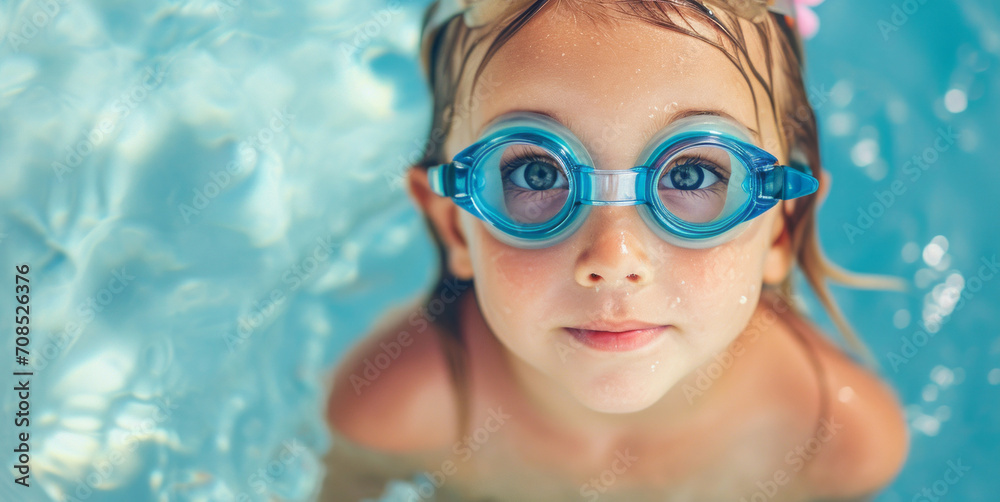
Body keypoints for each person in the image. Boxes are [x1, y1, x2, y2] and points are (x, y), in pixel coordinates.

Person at [322, 0, 908, 500]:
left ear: (783, 225)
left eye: (690, 176)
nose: (614, 256)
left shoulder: (832, 435)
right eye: (535, 174)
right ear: (455, 227)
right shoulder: (405, 411)